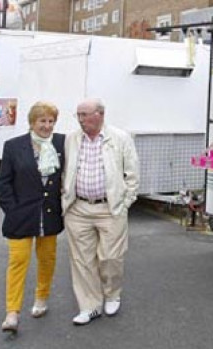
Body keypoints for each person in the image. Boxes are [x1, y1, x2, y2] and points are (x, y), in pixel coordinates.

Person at [62, 98, 140, 326]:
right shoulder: (72, 139)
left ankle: (112, 294)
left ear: (100, 115)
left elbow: (132, 175)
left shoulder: (120, 138)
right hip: (78, 208)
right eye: (78, 115)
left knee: (111, 257)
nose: (81, 120)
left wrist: (125, 203)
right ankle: (89, 306)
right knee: (82, 260)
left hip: (110, 208)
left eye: (85, 114)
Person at [0, 102, 66, 333]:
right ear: (32, 122)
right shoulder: (14, 146)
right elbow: (4, 183)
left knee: (47, 260)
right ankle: (12, 312)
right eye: (42, 121)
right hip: (21, 216)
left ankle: (42, 297)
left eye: (50, 121)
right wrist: (12, 210)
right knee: (18, 262)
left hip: (49, 214)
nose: (47, 126)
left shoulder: (61, 143)